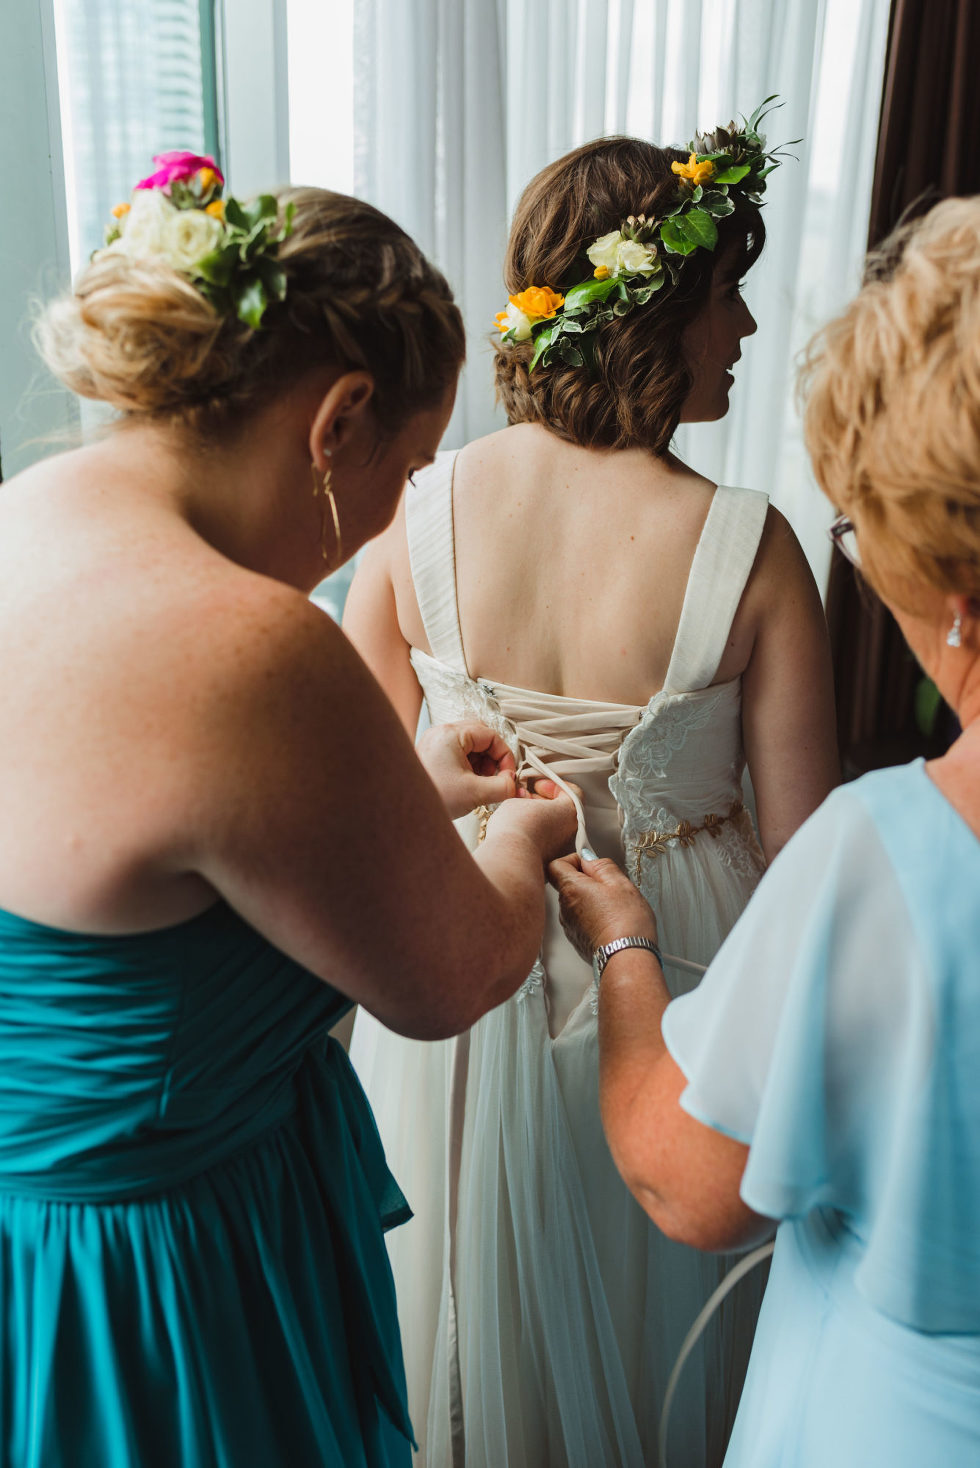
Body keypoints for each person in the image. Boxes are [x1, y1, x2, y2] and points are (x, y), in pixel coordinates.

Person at [0, 153, 577, 1468]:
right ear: (340, 419)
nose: (393, 514)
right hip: (174, 1274)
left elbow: (148, 854)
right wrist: (521, 840)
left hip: (30, 1244)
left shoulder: (22, 517)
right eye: (414, 465)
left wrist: (402, 793)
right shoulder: (250, 643)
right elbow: (452, 974)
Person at [344, 112, 839, 1466]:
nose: (743, 325)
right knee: (664, 1326)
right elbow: (807, 863)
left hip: (458, 971)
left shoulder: (412, 511)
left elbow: (353, 809)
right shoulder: (753, 546)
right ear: (652, 309)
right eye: (722, 290)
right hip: (687, 985)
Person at [552, 195, 980, 1467]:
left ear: (955, 592)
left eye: (861, 532)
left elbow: (688, 1181)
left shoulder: (894, 855)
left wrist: (628, 955)